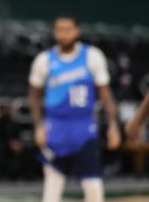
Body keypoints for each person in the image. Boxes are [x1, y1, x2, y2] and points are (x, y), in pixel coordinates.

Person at [28, 14, 120, 202]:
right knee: (52, 188)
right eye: (59, 30)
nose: (63, 34)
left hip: (84, 127)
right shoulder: (44, 60)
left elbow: (106, 95)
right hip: (55, 128)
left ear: (77, 31)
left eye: (68, 29)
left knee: (93, 187)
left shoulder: (92, 56)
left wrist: (113, 125)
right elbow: (33, 96)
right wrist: (38, 126)